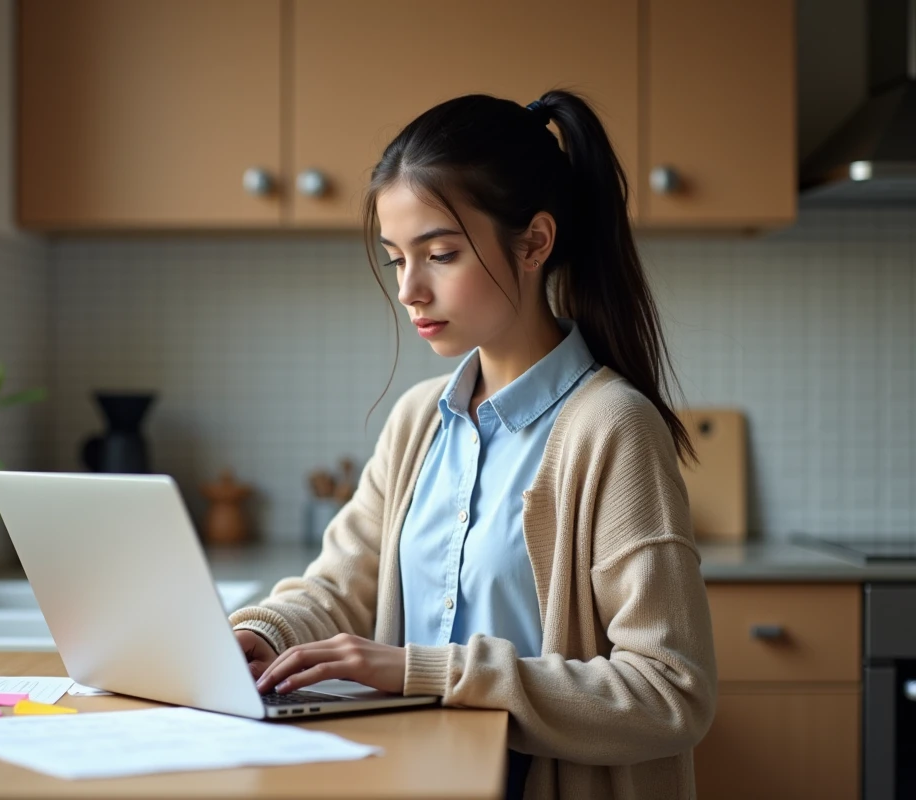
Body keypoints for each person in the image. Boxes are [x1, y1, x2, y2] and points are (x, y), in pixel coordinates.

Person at [230, 91, 717, 800]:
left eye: (441, 254)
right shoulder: (417, 419)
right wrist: (265, 634)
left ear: (534, 242)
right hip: (411, 776)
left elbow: (670, 691)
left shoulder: (613, 427)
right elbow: (341, 589)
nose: (410, 290)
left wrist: (419, 670)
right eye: (397, 259)